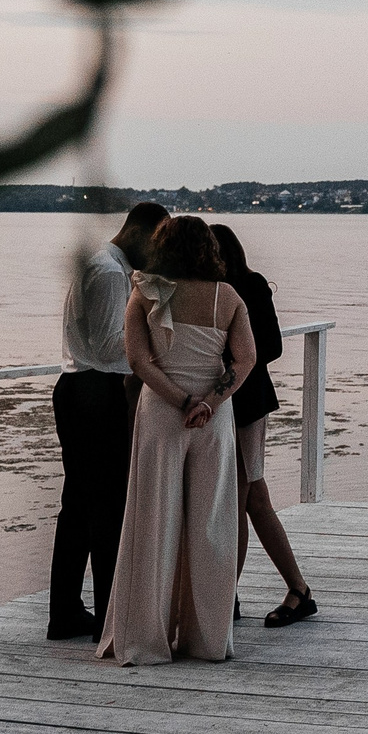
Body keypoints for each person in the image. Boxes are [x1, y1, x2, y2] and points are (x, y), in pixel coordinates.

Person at [97, 216, 256, 665]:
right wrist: (209, 400)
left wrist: (181, 400)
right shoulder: (228, 297)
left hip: (164, 415)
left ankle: (146, 638)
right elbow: (245, 360)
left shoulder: (145, 289)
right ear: (208, 249)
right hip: (213, 418)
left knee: (154, 520)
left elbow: (138, 360)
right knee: (211, 526)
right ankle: (206, 641)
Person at [49, 199, 166, 640]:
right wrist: (157, 342)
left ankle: (65, 612)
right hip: (96, 391)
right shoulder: (112, 272)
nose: (157, 258)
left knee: (78, 506)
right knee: (106, 509)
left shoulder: (99, 263)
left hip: (76, 387)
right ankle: (108, 618)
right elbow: (107, 346)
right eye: (156, 246)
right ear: (137, 233)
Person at [208, 223, 316, 626]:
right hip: (222, 404)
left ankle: (226, 597)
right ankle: (297, 589)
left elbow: (271, 346)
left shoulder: (249, 287)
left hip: (246, 403)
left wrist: (227, 365)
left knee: (240, 499)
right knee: (253, 499)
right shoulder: (209, 292)